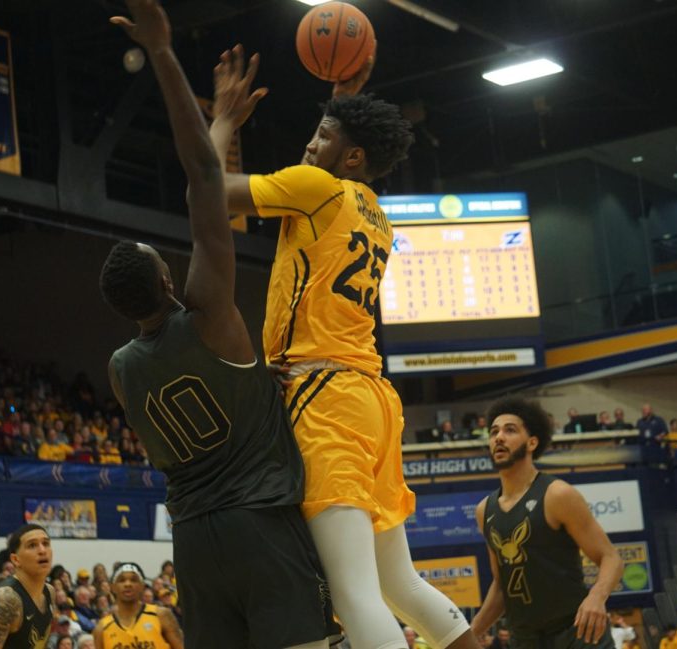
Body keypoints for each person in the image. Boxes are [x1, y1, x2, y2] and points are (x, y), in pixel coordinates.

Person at [209, 37, 479, 649]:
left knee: (355, 591)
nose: (309, 143)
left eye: (323, 135)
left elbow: (208, 191)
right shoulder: (373, 207)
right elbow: (330, 157)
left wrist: (224, 120)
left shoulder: (317, 189)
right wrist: (342, 105)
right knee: (398, 583)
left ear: (352, 155)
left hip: (324, 394)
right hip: (371, 398)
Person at [100, 2, 339, 647]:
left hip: (195, 545)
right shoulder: (209, 316)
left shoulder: (122, 371)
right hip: (260, 523)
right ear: (170, 282)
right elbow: (204, 180)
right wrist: (176, 67)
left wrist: (259, 383)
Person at [470, 396, 624, 647]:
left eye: (510, 430)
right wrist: (472, 631)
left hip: (575, 633)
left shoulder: (557, 494)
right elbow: (501, 586)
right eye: (494, 431)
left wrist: (596, 597)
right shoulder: (484, 510)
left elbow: (611, 558)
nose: (499, 437)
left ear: (532, 442)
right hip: (525, 639)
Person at [0, 524, 55, 648]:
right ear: (15, 559)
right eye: (32, 545)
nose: (42, 550)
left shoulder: (50, 592)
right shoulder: (7, 600)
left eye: (46, 543)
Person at [93, 563, 182, 649]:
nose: (128, 584)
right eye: (122, 580)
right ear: (113, 587)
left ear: (142, 586)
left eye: (134, 580)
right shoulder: (102, 628)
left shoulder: (161, 615)